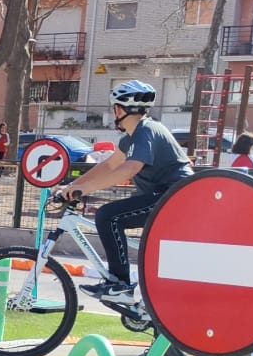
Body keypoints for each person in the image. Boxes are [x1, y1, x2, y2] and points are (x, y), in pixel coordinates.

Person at [55, 80, 193, 299]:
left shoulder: (146, 130)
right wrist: (74, 186)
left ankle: (119, 285)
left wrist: (85, 189)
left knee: (108, 216)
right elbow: (109, 165)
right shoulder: (132, 137)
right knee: (115, 220)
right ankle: (126, 293)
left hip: (174, 197)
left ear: (119, 109)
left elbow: (130, 168)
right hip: (167, 196)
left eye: (114, 109)